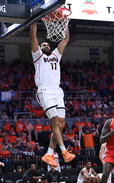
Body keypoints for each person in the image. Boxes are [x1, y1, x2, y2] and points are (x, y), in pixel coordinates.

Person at [30, 23, 75, 166]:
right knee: (55, 121)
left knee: (61, 124)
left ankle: (49, 154)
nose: (46, 46)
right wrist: (34, 22)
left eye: (47, 45)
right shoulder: (37, 56)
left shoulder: (56, 54)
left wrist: (66, 22)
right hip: (45, 90)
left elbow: (66, 39)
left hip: (57, 90)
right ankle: (63, 151)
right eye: (43, 45)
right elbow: (33, 36)